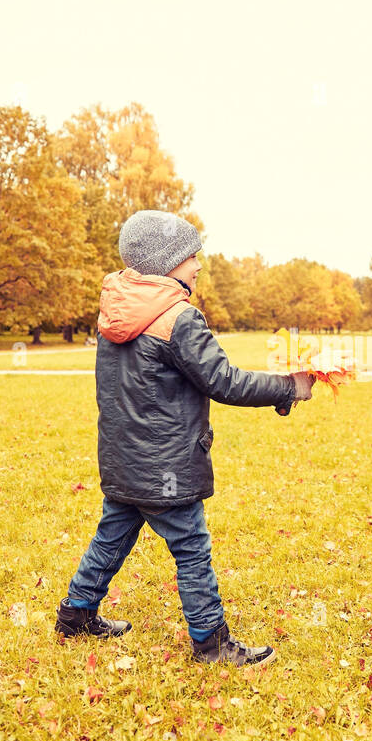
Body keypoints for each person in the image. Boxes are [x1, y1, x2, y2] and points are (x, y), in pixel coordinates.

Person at [54, 210, 315, 667]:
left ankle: (75, 615)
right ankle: (212, 644)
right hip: (165, 467)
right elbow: (225, 381)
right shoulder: (179, 318)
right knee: (192, 548)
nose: (197, 264)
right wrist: (289, 386)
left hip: (122, 459)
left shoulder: (115, 312)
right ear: (167, 261)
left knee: (111, 537)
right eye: (191, 255)